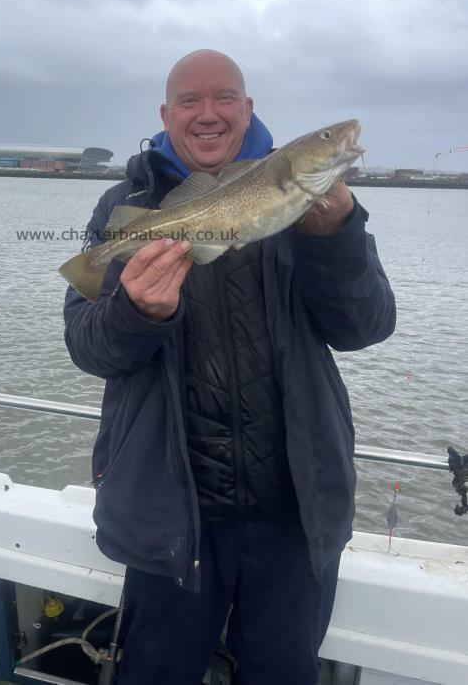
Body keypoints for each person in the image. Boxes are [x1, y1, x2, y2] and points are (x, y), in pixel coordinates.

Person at [63, 50, 396, 685]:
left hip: (294, 514)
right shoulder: (122, 205)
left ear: (249, 110)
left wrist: (337, 238)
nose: (208, 114)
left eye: (225, 99)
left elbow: (367, 328)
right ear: (166, 115)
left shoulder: (315, 205)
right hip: (171, 520)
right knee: (156, 674)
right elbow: (87, 347)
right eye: (190, 101)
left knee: (282, 673)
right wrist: (135, 312)